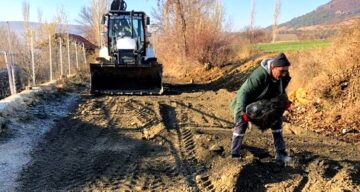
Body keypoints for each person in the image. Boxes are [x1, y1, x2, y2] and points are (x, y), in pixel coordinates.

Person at [230, 52, 292, 162]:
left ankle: (280, 153)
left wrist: (286, 102)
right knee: (241, 123)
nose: (284, 74)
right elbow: (243, 93)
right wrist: (242, 113)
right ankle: (234, 154)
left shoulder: (282, 75)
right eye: (282, 71)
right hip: (247, 101)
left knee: (277, 120)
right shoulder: (259, 75)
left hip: (263, 102)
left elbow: (281, 90)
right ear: (273, 67)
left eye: (286, 71)